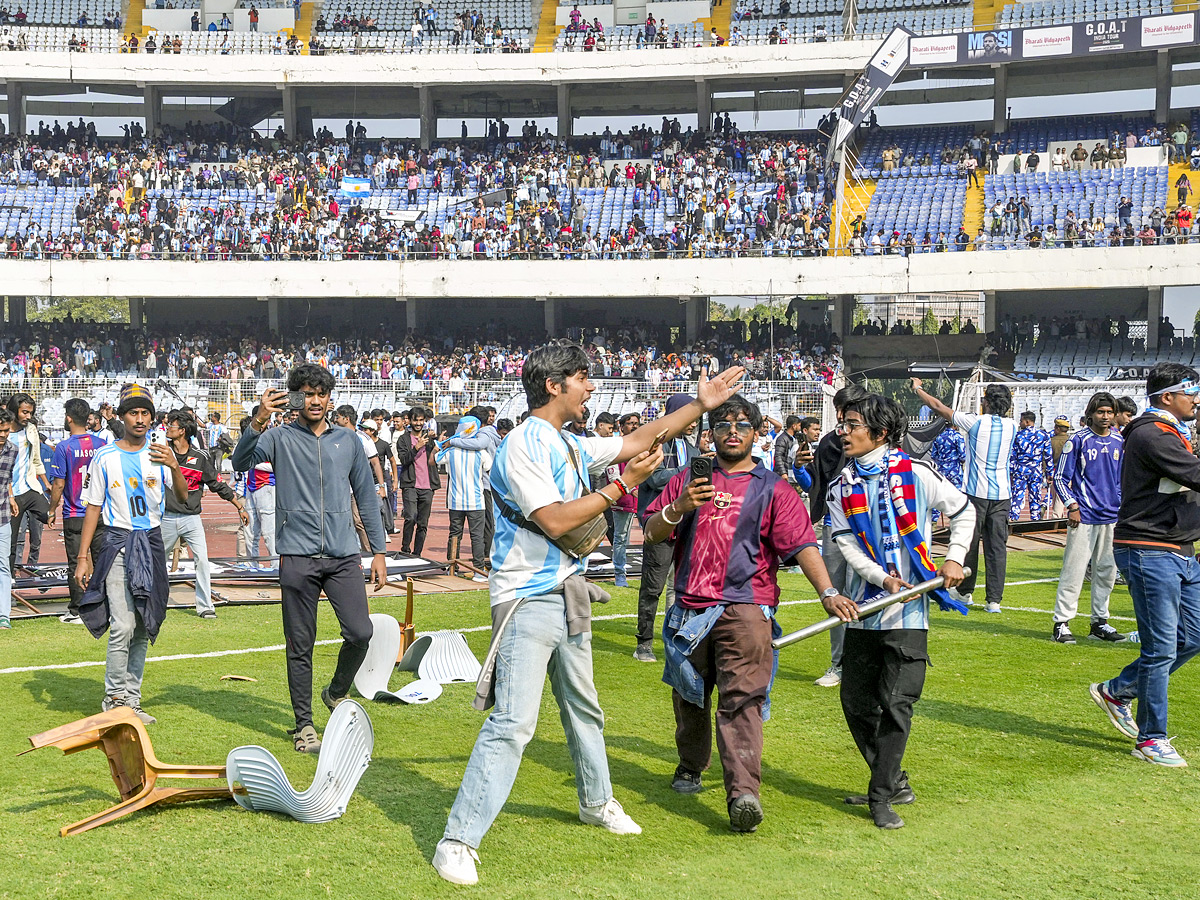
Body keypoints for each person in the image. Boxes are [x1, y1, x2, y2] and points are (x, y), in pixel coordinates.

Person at [433, 342, 745, 886]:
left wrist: (700, 403)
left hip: (567, 591)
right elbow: (554, 521)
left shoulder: (568, 441)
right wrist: (621, 486)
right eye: (583, 378)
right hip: (527, 598)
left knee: (584, 708)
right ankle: (457, 840)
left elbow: (637, 440)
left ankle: (596, 802)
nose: (591, 387)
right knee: (513, 723)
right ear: (554, 386)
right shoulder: (523, 443)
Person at [642, 393, 849, 833]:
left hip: (747, 609)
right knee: (689, 696)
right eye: (723, 424)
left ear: (757, 433)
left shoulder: (774, 487)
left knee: (742, 700)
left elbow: (803, 546)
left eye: (741, 424)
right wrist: (679, 508)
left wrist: (827, 591)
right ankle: (690, 766)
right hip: (689, 608)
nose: (732, 431)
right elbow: (650, 531)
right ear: (710, 433)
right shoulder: (685, 480)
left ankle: (743, 795)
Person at [827, 394, 974, 829]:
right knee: (855, 702)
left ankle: (881, 796)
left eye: (853, 424)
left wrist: (954, 557)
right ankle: (893, 779)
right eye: (844, 424)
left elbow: (963, 512)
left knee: (896, 704)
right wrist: (883, 579)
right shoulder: (842, 485)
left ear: (880, 432)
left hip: (909, 618)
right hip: (865, 608)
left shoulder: (918, 473)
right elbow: (846, 543)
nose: (844, 432)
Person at [232, 364, 387, 754]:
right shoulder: (279, 437)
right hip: (297, 556)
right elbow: (240, 462)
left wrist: (380, 551)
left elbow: (366, 497)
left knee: (360, 632)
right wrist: (259, 418)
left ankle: (335, 692)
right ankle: (304, 725)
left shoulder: (349, 441)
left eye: (321, 393)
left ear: (329, 397)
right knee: (300, 644)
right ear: (295, 398)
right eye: (306, 393)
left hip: (342, 554)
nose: (314, 401)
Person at [1090, 364, 1200, 767]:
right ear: (1167, 396)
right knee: (1160, 649)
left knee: (1193, 636)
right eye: (1192, 392)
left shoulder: (1169, 433)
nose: (1197, 399)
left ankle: (1118, 690)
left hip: (1178, 549)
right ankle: (1150, 739)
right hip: (1150, 549)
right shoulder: (1153, 434)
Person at [75, 383, 188, 725]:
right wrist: (83, 557)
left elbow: (183, 497)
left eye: (145, 413)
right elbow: (93, 507)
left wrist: (174, 464)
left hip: (152, 543)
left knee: (143, 624)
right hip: (119, 544)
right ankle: (114, 698)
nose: (140, 419)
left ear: (152, 418)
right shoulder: (105, 457)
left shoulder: (159, 452)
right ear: (122, 417)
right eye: (133, 412)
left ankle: (132, 700)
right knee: (123, 624)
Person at [911, 378, 1016, 612]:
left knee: (968, 543)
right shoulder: (1013, 426)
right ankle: (994, 600)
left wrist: (918, 388)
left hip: (976, 493)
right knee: (997, 548)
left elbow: (938, 406)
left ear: (986, 402)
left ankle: (965, 591)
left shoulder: (974, 422)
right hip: (1002, 494)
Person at [804, 383, 870, 686]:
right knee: (836, 594)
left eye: (849, 412)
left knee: (873, 593)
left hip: (870, 526)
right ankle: (838, 664)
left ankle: (867, 663)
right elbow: (818, 483)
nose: (843, 418)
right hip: (835, 526)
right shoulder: (830, 443)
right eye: (840, 411)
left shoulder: (877, 440)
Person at [1051, 392, 1125, 644]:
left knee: (1106, 571)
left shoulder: (1119, 440)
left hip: (1112, 515)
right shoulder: (1078, 440)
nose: (1105, 417)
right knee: (1074, 569)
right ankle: (1061, 623)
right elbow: (1060, 477)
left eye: (1109, 412)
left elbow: (1123, 478)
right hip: (1084, 515)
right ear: (1091, 413)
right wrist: (1072, 505)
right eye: (1100, 412)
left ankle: (1099, 622)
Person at [161, 410, 248, 619]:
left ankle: (205, 605)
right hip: (165, 517)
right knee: (156, 562)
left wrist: (239, 506)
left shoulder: (200, 458)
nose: (167, 429)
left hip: (191, 518)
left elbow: (217, 484)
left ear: (182, 431)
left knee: (201, 559)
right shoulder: (162, 453)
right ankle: (154, 602)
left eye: (171, 426)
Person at [634, 393, 700, 662]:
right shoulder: (656, 444)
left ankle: (676, 637)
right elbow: (653, 479)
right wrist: (687, 471)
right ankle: (644, 644)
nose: (694, 422)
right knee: (653, 587)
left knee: (681, 587)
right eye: (689, 415)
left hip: (686, 527)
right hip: (660, 526)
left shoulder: (692, 447)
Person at [48, 398, 107, 625]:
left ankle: (78, 610)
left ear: (69, 418)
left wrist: (52, 509)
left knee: (76, 562)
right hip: (100, 512)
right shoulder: (101, 444)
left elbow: (59, 484)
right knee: (102, 560)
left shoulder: (64, 447)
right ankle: (103, 606)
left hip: (75, 513)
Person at [437, 414, 490, 581]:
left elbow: (437, 458)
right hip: (476, 500)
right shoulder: (481, 453)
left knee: (455, 534)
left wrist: (442, 443)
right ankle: (479, 570)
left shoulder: (451, 451)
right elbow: (489, 467)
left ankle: (451, 566)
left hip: (455, 500)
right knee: (477, 536)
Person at [6, 393, 49, 574]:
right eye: (24, 412)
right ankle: (9, 577)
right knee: (12, 540)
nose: (28, 417)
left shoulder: (30, 430)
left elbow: (37, 460)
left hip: (29, 487)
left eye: (30, 413)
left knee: (50, 514)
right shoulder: (4, 431)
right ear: (14, 410)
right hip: (10, 494)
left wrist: (47, 484)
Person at [397, 407, 439, 556]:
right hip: (410, 485)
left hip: (428, 486)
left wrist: (438, 446)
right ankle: (405, 548)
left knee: (423, 523)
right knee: (410, 517)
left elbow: (436, 459)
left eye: (421, 420)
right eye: (416, 420)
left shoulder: (430, 439)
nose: (418, 423)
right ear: (410, 420)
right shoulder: (403, 439)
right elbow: (403, 460)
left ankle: (417, 553)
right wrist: (416, 447)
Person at [606, 412, 641, 587]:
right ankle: (620, 574)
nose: (634, 426)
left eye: (636, 423)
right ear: (622, 426)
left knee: (651, 536)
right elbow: (613, 476)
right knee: (620, 538)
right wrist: (632, 489)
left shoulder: (643, 446)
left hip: (643, 499)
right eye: (630, 423)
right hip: (623, 499)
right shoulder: (616, 446)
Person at [1008, 411, 1052, 523]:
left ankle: (1013, 518)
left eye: (1021, 421)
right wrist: (1049, 473)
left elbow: (1013, 456)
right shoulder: (1043, 436)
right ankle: (1035, 520)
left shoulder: (1018, 436)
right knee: (1035, 496)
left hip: (1020, 469)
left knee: (1017, 495)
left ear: (1027, 422)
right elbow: (1048, 456)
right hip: (1036, 470)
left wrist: (1011, 472)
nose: (1020, 423)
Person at [0, 411, 16, 630]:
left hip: (3, 515)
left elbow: (8, 478)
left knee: (3, 566)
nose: (3, 434)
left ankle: (4, 615)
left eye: (6, 430)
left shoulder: (13, 450)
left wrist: (11, 497)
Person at [1048, 415, 1073, 517]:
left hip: (1056, 471)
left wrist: (1047, 472)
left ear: (1057, 429)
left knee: (1058, 498)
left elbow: (1048, 458)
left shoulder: (1051, 441)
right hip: (1071, 472)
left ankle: (1056, 518)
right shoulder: (1072, 440)